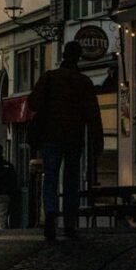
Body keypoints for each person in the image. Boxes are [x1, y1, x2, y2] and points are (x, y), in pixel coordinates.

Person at [27, 40, 103, 240]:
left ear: (62, 54)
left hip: (51, 136)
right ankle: (70, 222)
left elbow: (33, 103)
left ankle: (50, 213)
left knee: (50, 177)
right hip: (74, 137)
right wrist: (98, 139)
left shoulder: (50, 78)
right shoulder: (83, 82)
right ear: (78, 56)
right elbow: (93, 114)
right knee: (72, 180)